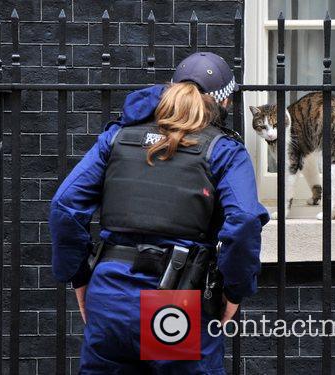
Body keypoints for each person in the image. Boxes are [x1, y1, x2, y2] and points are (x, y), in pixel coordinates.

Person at [49, 52, 269, 374]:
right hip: (174, 299)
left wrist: (80, 277)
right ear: (224, 104)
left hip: (110, 293)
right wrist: (235, 292)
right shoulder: (222, 150)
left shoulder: (117, 137)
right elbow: (245, 220)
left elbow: (64, 207)